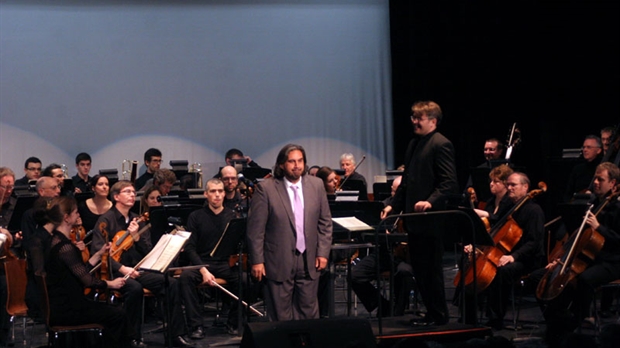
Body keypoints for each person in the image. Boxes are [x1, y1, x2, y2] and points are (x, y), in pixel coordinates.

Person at [381, 100, 459, 326]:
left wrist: (430, 201)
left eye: (419, 118)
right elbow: (406, 182)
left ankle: (439, 316)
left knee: (431, 271)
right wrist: (393, 205)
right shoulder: (414, 144)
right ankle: (432, 314)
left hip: (430, 220)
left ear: (433, 121)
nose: (414, 122)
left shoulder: (441, 144)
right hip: (414, 220)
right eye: (413, 117)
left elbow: (449, 183)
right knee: (421, 270)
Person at [90, 180, 193, 347]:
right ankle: (132, 338)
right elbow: (99, 253)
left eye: (133, 192)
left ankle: (176, 335)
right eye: (127, 192)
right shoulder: (105, 221)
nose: (132, 195)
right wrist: (122, 268)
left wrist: (136, 237)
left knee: (171, 283)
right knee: (134, 289)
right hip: (116, 272)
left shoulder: (137, 220)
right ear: (116, 196)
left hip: (139, 270)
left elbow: (148, 251)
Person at [533, 162, 620, 347]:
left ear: (613, 183)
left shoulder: (617, 208)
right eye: (594, 178)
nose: (595, 182)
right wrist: (562, 259)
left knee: (584, 279)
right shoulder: (594, 204)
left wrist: (599, 227)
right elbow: (578, 238)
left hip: (612, 262)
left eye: (600, 179)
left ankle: (578, 319)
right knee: (538, 278)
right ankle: (556, 323)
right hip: (589, 258)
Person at [247, 143, 333, 321]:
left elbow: (325, 223)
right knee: (280, 315)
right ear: (281, 165)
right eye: (292, 161)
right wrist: (257, 260)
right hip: (277, 260)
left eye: (300, 161)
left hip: (309, 260)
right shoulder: (266, 188)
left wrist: (323, 253)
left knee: (309, 313)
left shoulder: (316, 185)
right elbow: (256, 229)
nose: (297, 165)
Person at [43, 196, 132, 347]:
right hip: (68, 309)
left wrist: (97, 255)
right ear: (66, 218)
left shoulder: (56, 241)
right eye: (76, 213)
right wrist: (111, 284)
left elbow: (78, 271)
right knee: (118, 315)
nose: (78, 215)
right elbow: (87, 281)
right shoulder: (66, 248)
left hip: (61, 306)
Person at [478, 172, 545, 330]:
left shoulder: (534, 210)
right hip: (506, 255)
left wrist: (513, 257)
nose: (509, 188)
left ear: (525, 187)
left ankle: (496, 318)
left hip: (527, 260)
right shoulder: (509, 207)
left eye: (513, 185)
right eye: (508, 185)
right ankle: (468, 316)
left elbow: (534, 243)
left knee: (501, 271)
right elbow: (496, 227)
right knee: (474, 266)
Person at [179, 178, 241, 339]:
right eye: (213, 191)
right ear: (206, 194)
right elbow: (190, 248)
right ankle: (196, 326)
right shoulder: (195, 216)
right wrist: (203, 270)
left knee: (246, 279)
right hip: (202, 264)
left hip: (224, 264)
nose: (217, 195)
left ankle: (233, 323)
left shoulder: (232, 216)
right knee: (185, 278)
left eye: (220, 191)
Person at [350, 174, 415, 317]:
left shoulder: (411, 208)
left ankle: (397, 312)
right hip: (383, 254)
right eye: (393, 191)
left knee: (404, 272)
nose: (394, 195)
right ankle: (382, 304)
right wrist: (379, 229)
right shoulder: (384, 206)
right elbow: (372, 229)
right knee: (354, 275)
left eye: (397, 192)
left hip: (405, 256)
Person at [464, 138, 507, 205]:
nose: (487, 152)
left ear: (500, 151)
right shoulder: (479, 169)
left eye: (491, 149)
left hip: (504, 204)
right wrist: (471, 190)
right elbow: (469, 186)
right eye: (485, 149)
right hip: (484, 205)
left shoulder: (508, 168)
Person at [563, 135, 603, 202]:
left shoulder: (602, 168)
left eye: (589, 147)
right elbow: (568, 193)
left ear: (598, 150)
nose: (585, 150)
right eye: (584, 147)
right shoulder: (577, 169)